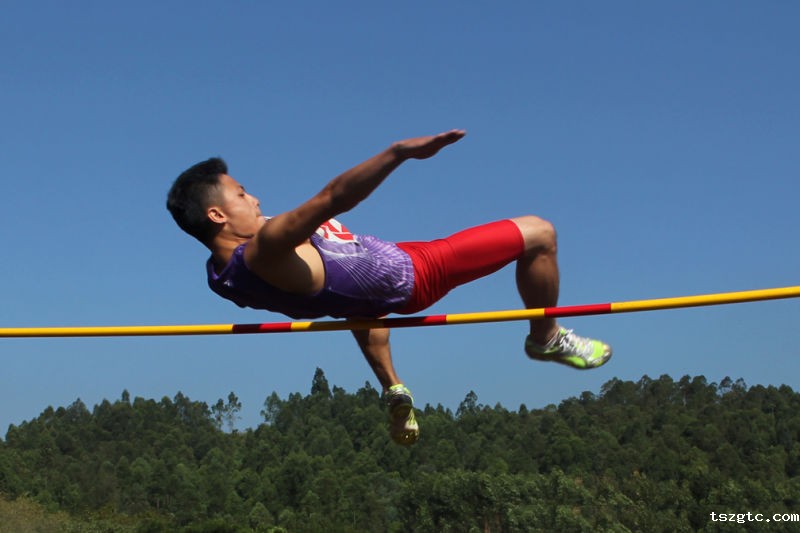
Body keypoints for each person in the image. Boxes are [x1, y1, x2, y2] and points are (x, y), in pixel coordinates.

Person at [166, 129, 611, 445]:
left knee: (354, 303)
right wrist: (398, 153)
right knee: (539, 232)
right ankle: (545, 337)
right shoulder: (264, 250)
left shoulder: (222, 276)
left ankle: (394, 389)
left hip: (371, 285)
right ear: (217, 216)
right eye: (242, 194)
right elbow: (333, 197)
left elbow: (339, 298)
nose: (255, 199)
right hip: (417, 272)